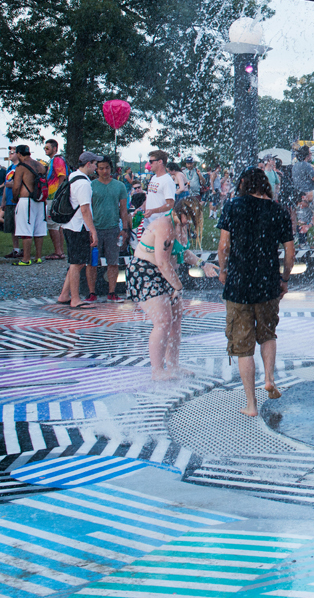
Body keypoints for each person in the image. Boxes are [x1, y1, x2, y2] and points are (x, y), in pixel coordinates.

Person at [218, 167, 295, 417]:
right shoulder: (278, 210)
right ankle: (270, 378)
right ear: (266, 185)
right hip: (267, 283)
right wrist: (283, 279)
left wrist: (223, 270)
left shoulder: (232, 206)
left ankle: (251, 404)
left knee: (243, 347)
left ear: (242, 183)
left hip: (239, 284)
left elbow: (223, 245)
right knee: (268, 334)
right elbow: (290, 254)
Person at [128, 198, 216, 380]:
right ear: (179, 212)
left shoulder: (180, 225)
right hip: (146, 273)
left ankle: (174, 366)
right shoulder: (166, 225)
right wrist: (178, 286)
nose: (190, 222)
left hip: (166, 273)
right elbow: (161, 261)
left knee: (175, 322)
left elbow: (182, 252)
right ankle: (157, 370)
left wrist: (203, 263)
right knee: (163, 321)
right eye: (189, 217)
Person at [55, 152, 101, 308]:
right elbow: (85, 210)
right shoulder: (83, 184)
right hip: (78, 226)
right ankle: (75, 299)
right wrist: (92, 230)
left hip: (69, 224)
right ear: (88, 164)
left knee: (77, 262)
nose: (96, 167)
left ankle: (64, 294)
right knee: (77, 263)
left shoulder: (73, 176)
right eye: (95, 164)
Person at [86, 157, 130, 302]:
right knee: (92, 262)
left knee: (113, 261)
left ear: (111, 169)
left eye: (107, 168)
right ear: (96, 169)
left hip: (113, 228)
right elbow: (87, 208)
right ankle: (92, 292)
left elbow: (123, 209)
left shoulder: (119, 186)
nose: (104, 171)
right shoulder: (91, 185)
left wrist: (125, 228)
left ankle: (112, 291)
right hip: (95, 228)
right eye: (101, 168)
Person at [11, 145, 47, 266]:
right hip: (40, 200)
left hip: (26, 200)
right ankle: (38, 257)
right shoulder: (40, 165)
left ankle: (26, 259)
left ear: (19, 154)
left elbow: (16, 186)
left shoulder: (21, 167)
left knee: (25, 230)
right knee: (39, 230)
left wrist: (15, 198)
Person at [42, 139, 68, 260]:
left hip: (54, 196)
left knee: (52, 224)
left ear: (54, 148)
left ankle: (58, 251)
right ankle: (60, 250)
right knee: (57, 225)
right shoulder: (53, 160)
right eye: (45, 148)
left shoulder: (57, 159)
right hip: (52, 196)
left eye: (47, 148)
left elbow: (62, 175)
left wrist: (58, 193)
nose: (45, 150)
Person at [144, 150, 176, 223]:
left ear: (160, 162)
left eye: (151, 161)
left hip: (161, 223)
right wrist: (140, 208)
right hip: (149, 222)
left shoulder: (167, 181)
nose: (149, 164)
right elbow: (150, 198)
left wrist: (152, 211)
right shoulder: (154, 178)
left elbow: (170, 205)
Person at [4, 147, 20, 258]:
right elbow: (6, 185)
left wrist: (12, 183)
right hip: (9, 201)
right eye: (9, 152)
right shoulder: (9, 168)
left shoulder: (20, 167)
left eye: (12, 152)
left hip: (18, 200)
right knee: (11, 227)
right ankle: (16, 249)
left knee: (19, 226)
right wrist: (3, 200)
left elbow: (20, 182)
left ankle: (24, 249)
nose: (10, 154)